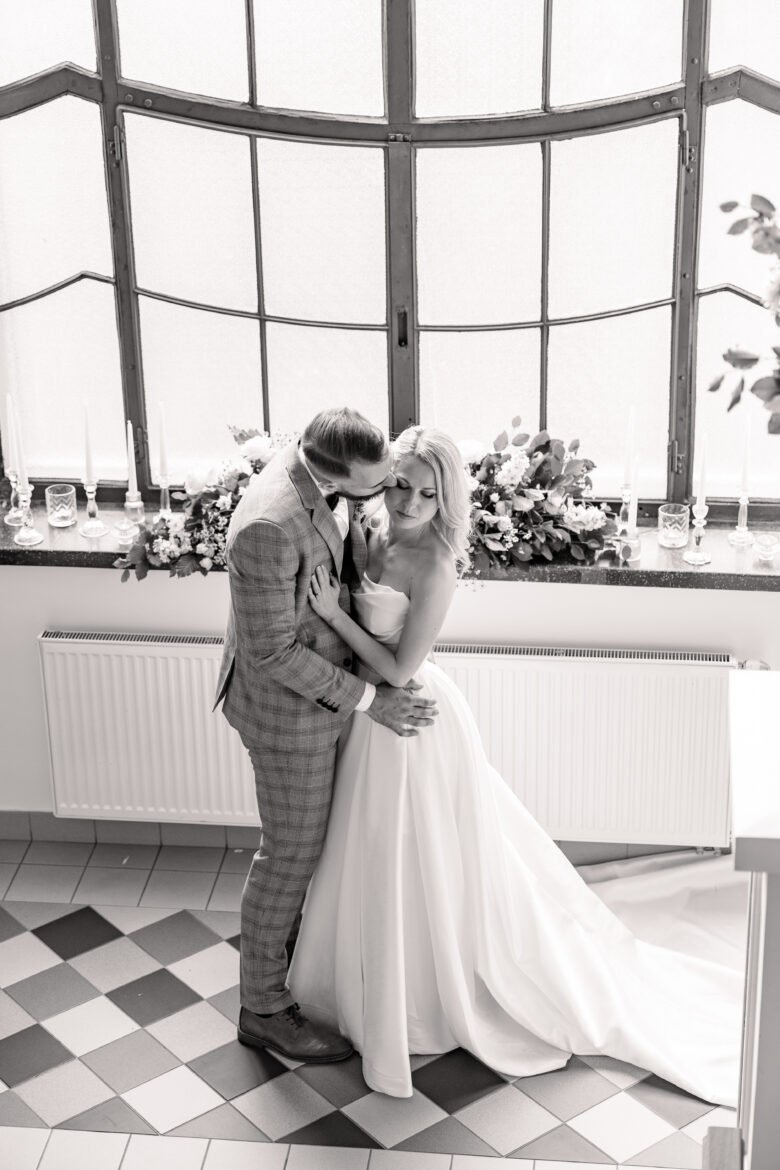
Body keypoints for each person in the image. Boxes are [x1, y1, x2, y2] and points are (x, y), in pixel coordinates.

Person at [289, 424, 744, 1106]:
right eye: (402, 486)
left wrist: (334, 616)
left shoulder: (436, 564)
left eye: (428, 494)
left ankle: (425, 995)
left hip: (409, 716)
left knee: (421, 857)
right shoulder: (368, 526)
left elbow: (402, 669)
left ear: (446, 499)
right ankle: (357, 981)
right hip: (366, 716)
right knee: (368, 852)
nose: (410, 503)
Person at [214, 408, 439, 1064]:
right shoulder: (269, 525)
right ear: (330, 472)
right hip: (290, 718)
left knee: (312, 851)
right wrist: (371, 700)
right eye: (378, 483)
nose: (387, 490)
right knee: (289, 857)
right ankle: (263, 1008)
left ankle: (294, 966)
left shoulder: (322, 477)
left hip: (327, 697)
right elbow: (273, 652)